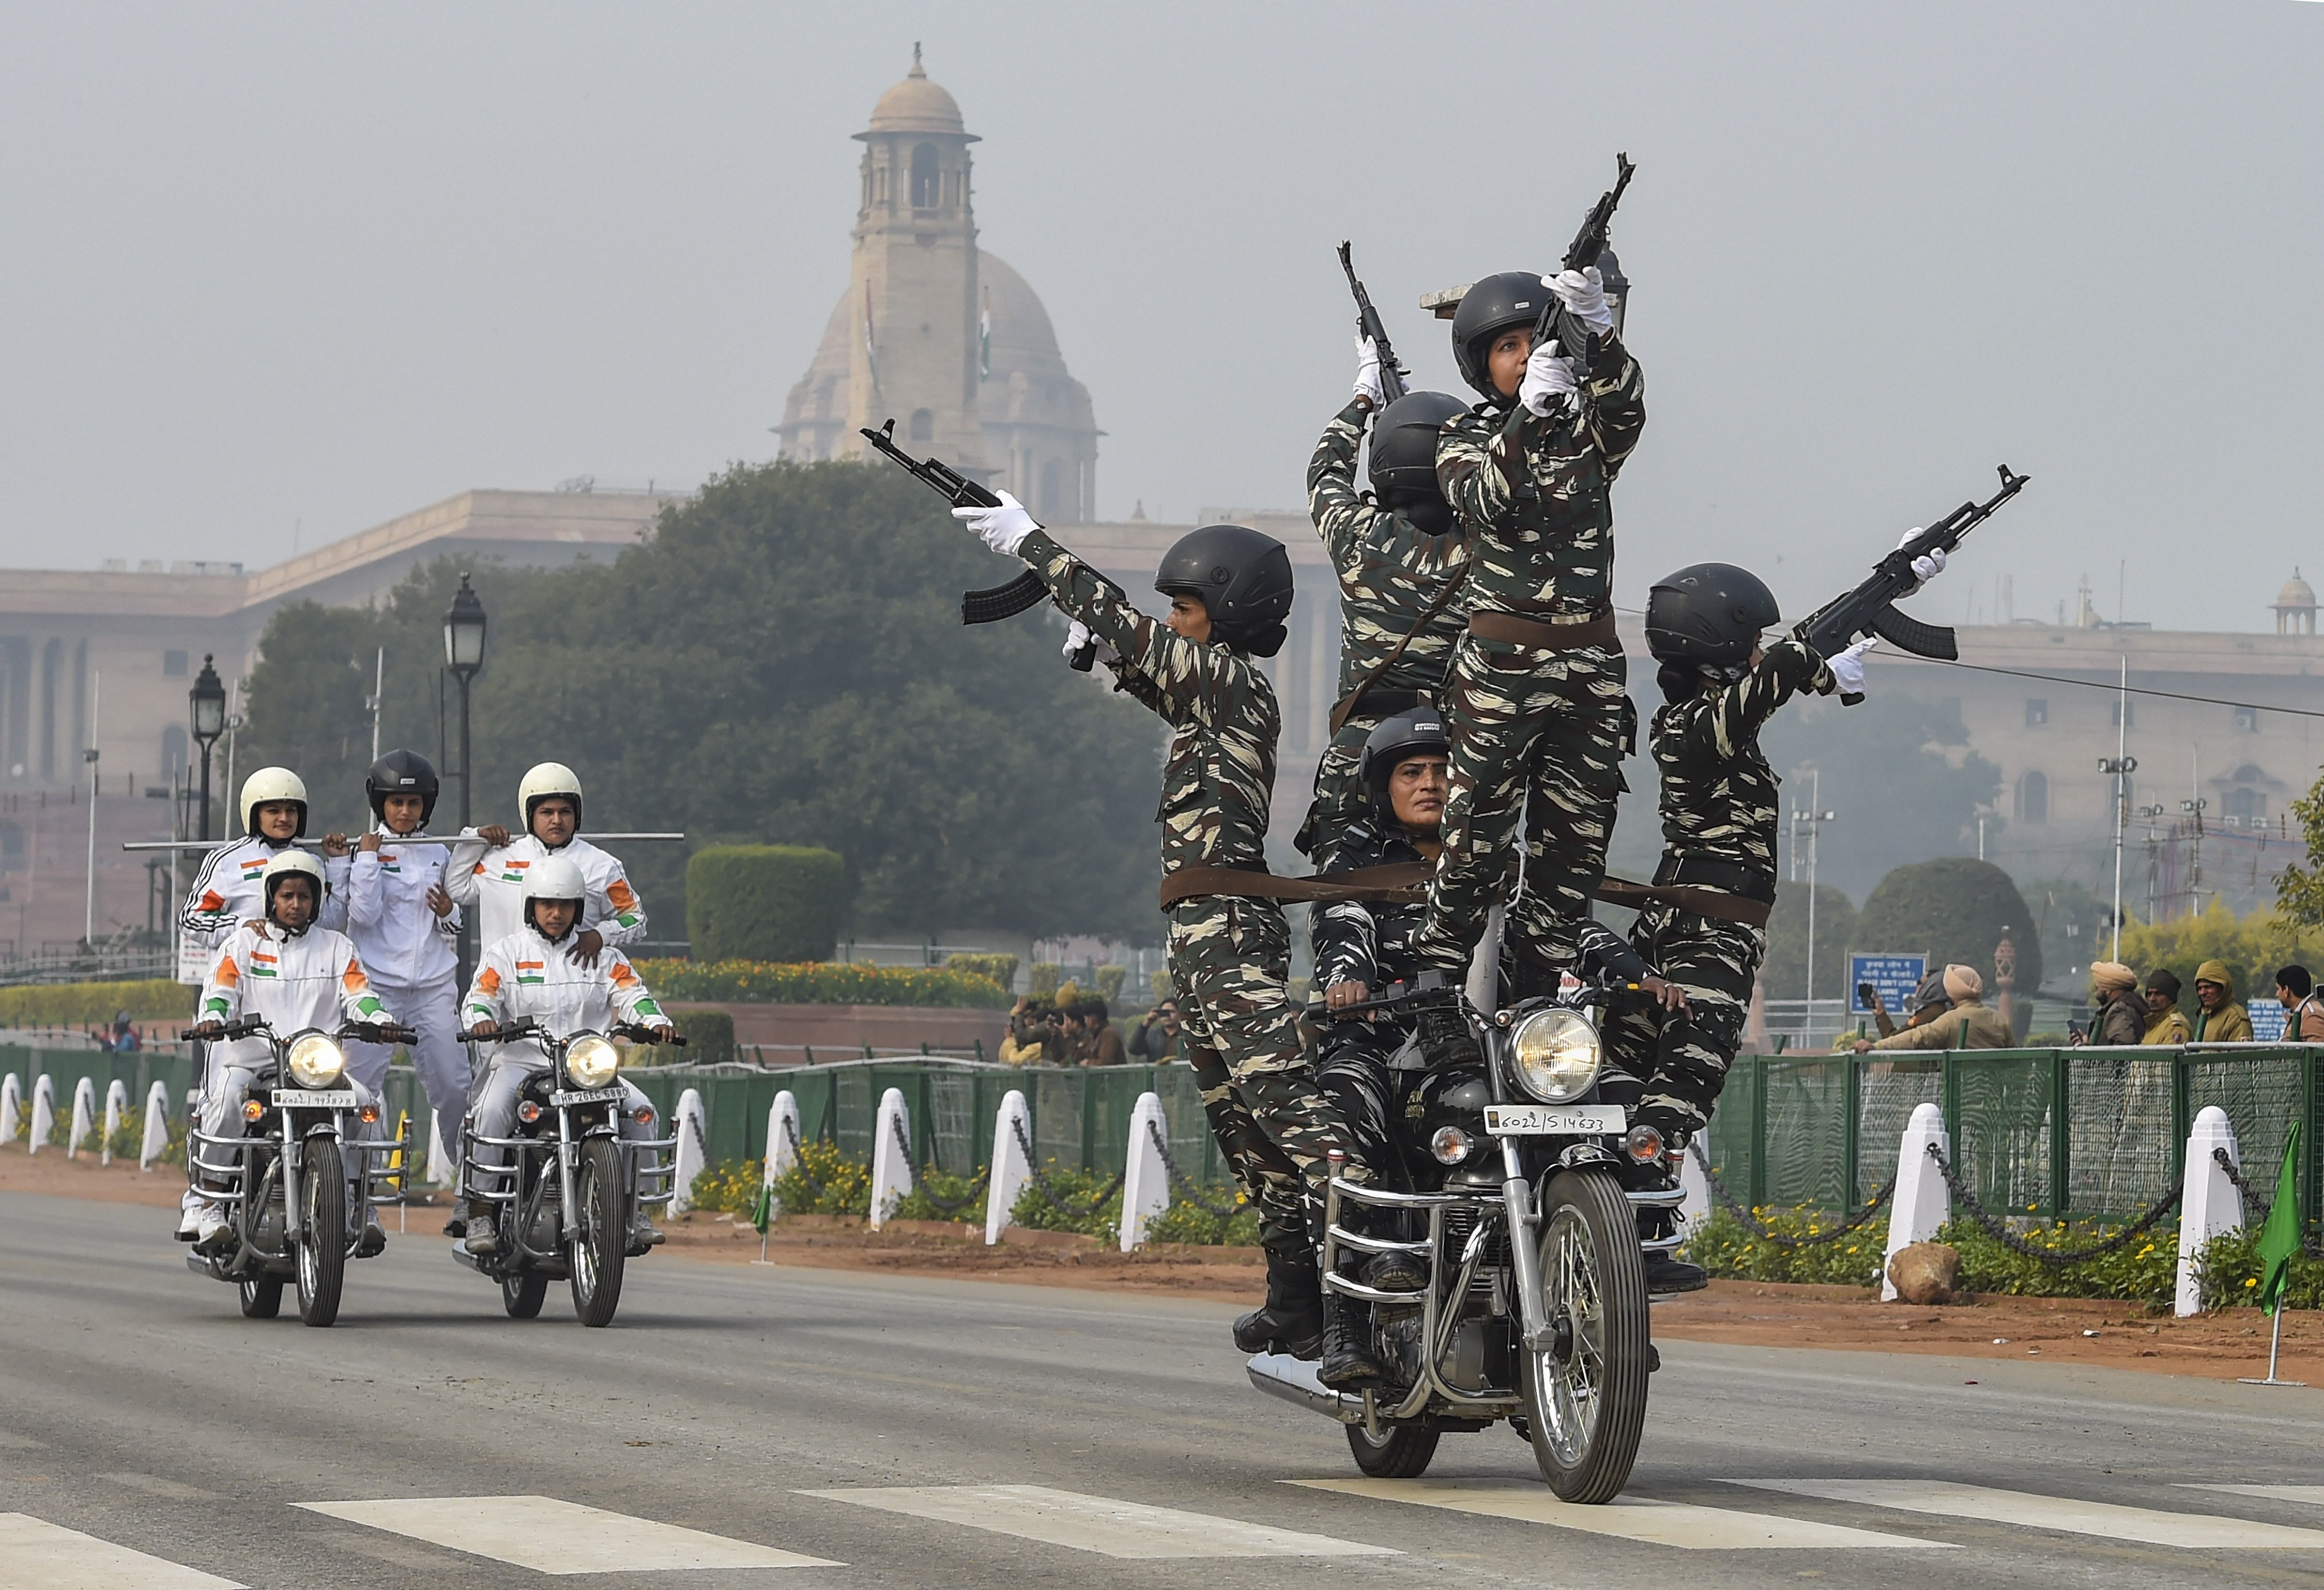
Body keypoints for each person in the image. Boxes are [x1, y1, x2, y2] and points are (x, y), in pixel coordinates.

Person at [949, 492, 1361, 1360]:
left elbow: (1132, 629)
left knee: (1294, 1114)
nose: (1170, 624)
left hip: (1230, 931)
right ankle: (1296, 1295)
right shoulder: (1217, 697)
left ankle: (1363, 1302)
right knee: (1243, 1127)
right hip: (1199, 932)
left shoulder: (1238, 680)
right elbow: (1156, 673)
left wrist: (1032, 544)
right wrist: (1113, 664)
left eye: (1184, 610)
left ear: (1228, 615)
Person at [1408, 266, 1644, 1004]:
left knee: (1572, 849)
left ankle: (1538, 995)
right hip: (1504, 667)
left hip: (1590, 665)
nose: (1521, 355)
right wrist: (1527, 421)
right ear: (1483, 365)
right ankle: (1439, 989)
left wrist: (1599, 333)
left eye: (1532, 341)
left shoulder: (1588, 434)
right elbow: (1485, 502)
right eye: (1507, 346)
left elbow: (1629, 415)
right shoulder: (1462, 436)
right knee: (1474, 836)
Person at [1610, 563, 1882, 1155]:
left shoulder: (1694, 724)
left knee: (1623, 1079)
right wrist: (1823, 675)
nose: (1761, 653)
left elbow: (1767, 679)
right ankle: (1634, 1211)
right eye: (1750, 644)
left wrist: (1895, 582)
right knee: (1684, 1084)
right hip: (1709, 935)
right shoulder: (1700, 731)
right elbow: (1784, 667)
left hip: (1681, 923)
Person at [183, 851, 400, 1255]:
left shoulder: (337, 947)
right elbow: (221, 991)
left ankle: (359, 1205)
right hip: (252, 1060)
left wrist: (380, 1018)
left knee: (368, 1103)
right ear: (272, 898)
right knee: (230, 1097)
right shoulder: (243, 943)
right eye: (287, 895)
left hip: (314, 1064)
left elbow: (360, 995)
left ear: (316, 901)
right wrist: (214, 1016)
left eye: (304, 896)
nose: (296, 904)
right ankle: (209, 1201)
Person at [1294, 354, 1468, 858]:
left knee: (1345, 890)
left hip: (1361, 749)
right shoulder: (1486, 556)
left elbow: (1324, 473)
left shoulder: (1359, 537)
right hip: (1447, 756)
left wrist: (1363, 401)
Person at [459, 855, 674, 1256]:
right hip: (523, 1062)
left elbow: (634, 995)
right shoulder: (506, 954)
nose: (556, 913)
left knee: (641, 1111)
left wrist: (655, 1021)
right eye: (546, 904)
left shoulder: (603, 956)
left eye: (565, 905)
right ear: (531, 907)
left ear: (578, 909)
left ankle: (636, 1208)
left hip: (586, 1065)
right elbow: (480, 998)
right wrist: (482, 1021)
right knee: (488, 1111)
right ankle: (481, 1210)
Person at [173, 766, 314, 1238]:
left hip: (296, 1001)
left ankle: (343, 1200)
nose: (283, 817)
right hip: (237, 994)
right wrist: (240, 927)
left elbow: (334, 916)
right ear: (254, 813)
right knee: (227, 1098)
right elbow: (192, 918)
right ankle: (205, 1202)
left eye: (291, 810)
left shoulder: (312, 862)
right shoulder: (229, 860)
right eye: (273, 810)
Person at [324, 751, 469, 1201]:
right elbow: (361, 916)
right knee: (356, 1095)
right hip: (375, 989)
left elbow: (453, 925)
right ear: (380, 804)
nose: (404, 811)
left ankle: (476, 1192)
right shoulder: (360, 851)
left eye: (413, 802)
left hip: (432, 988)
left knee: (455, 1088)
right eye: (395, 803)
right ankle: (351, 1200)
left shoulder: (440, 852)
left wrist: (451, 910)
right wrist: (363, 860)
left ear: (426, 805)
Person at [445, 763, 646, 962]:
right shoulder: (499, 860)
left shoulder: (602, 866)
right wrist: (474, 841)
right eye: (547, 812)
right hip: (504, 984)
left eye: (565, 812)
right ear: (529, 815)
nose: (557, 820)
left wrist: (602, 935)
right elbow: (456, 888)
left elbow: (636, 919)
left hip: (575, 986)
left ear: (577, 815)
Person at [1852, 964, 2012, 1051]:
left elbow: (1916, 1037)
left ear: (1952, 991)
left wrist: (1876, 1046)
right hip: (1994, 1100)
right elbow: (2016, 1056)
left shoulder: (1950, 1020)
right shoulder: (1998, 1019)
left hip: (1959, 1097)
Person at [2077, 961, 2145, 1045]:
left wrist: (2085, 1050)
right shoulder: (2130, 1004)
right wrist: (2087, 1043)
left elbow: (2121, 1050)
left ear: (2109, 990)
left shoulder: (2120, 1010)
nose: (2097, 988)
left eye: (2099, 985)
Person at [2191, 959, 2253, 1042]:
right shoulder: (2206, 1016)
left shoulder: (2235, 1018)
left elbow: (2241, 1054)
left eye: (2208, 987)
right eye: (2200, 988)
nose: (2203, 993)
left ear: (2223, 987)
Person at [2141, 968, 2193, 1044]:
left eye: (2158, 994)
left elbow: (2171, 1055)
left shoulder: (2175, 1027)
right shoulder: (2155, 1024)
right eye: (2149, 994)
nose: (2152, 999)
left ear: (2171, 997)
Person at [2276, 964, 2324, 1042]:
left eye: (2278, 989)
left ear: (2286, 990)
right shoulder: (2304, 1012)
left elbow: (2319, 1051)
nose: (2277, 994)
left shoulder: (2311, 1016)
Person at [1128, 997, 1182, 1063]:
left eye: (1172, 1012)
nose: (1168, 1016)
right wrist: (1146, 1024)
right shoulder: (1152, 1036)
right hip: (1158, 1072)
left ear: (1179, 1014)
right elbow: (1133, 1050)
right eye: (1164, 1012)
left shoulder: (1188, 1035)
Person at [1076, 1000, 1127, 1067]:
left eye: (1086, 1019)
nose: (1085, 1022)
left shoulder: (1109, 1034)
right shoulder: (1094, 1036)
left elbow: (1105, 1063)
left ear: (1092, 1020)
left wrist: (1088, 1063)